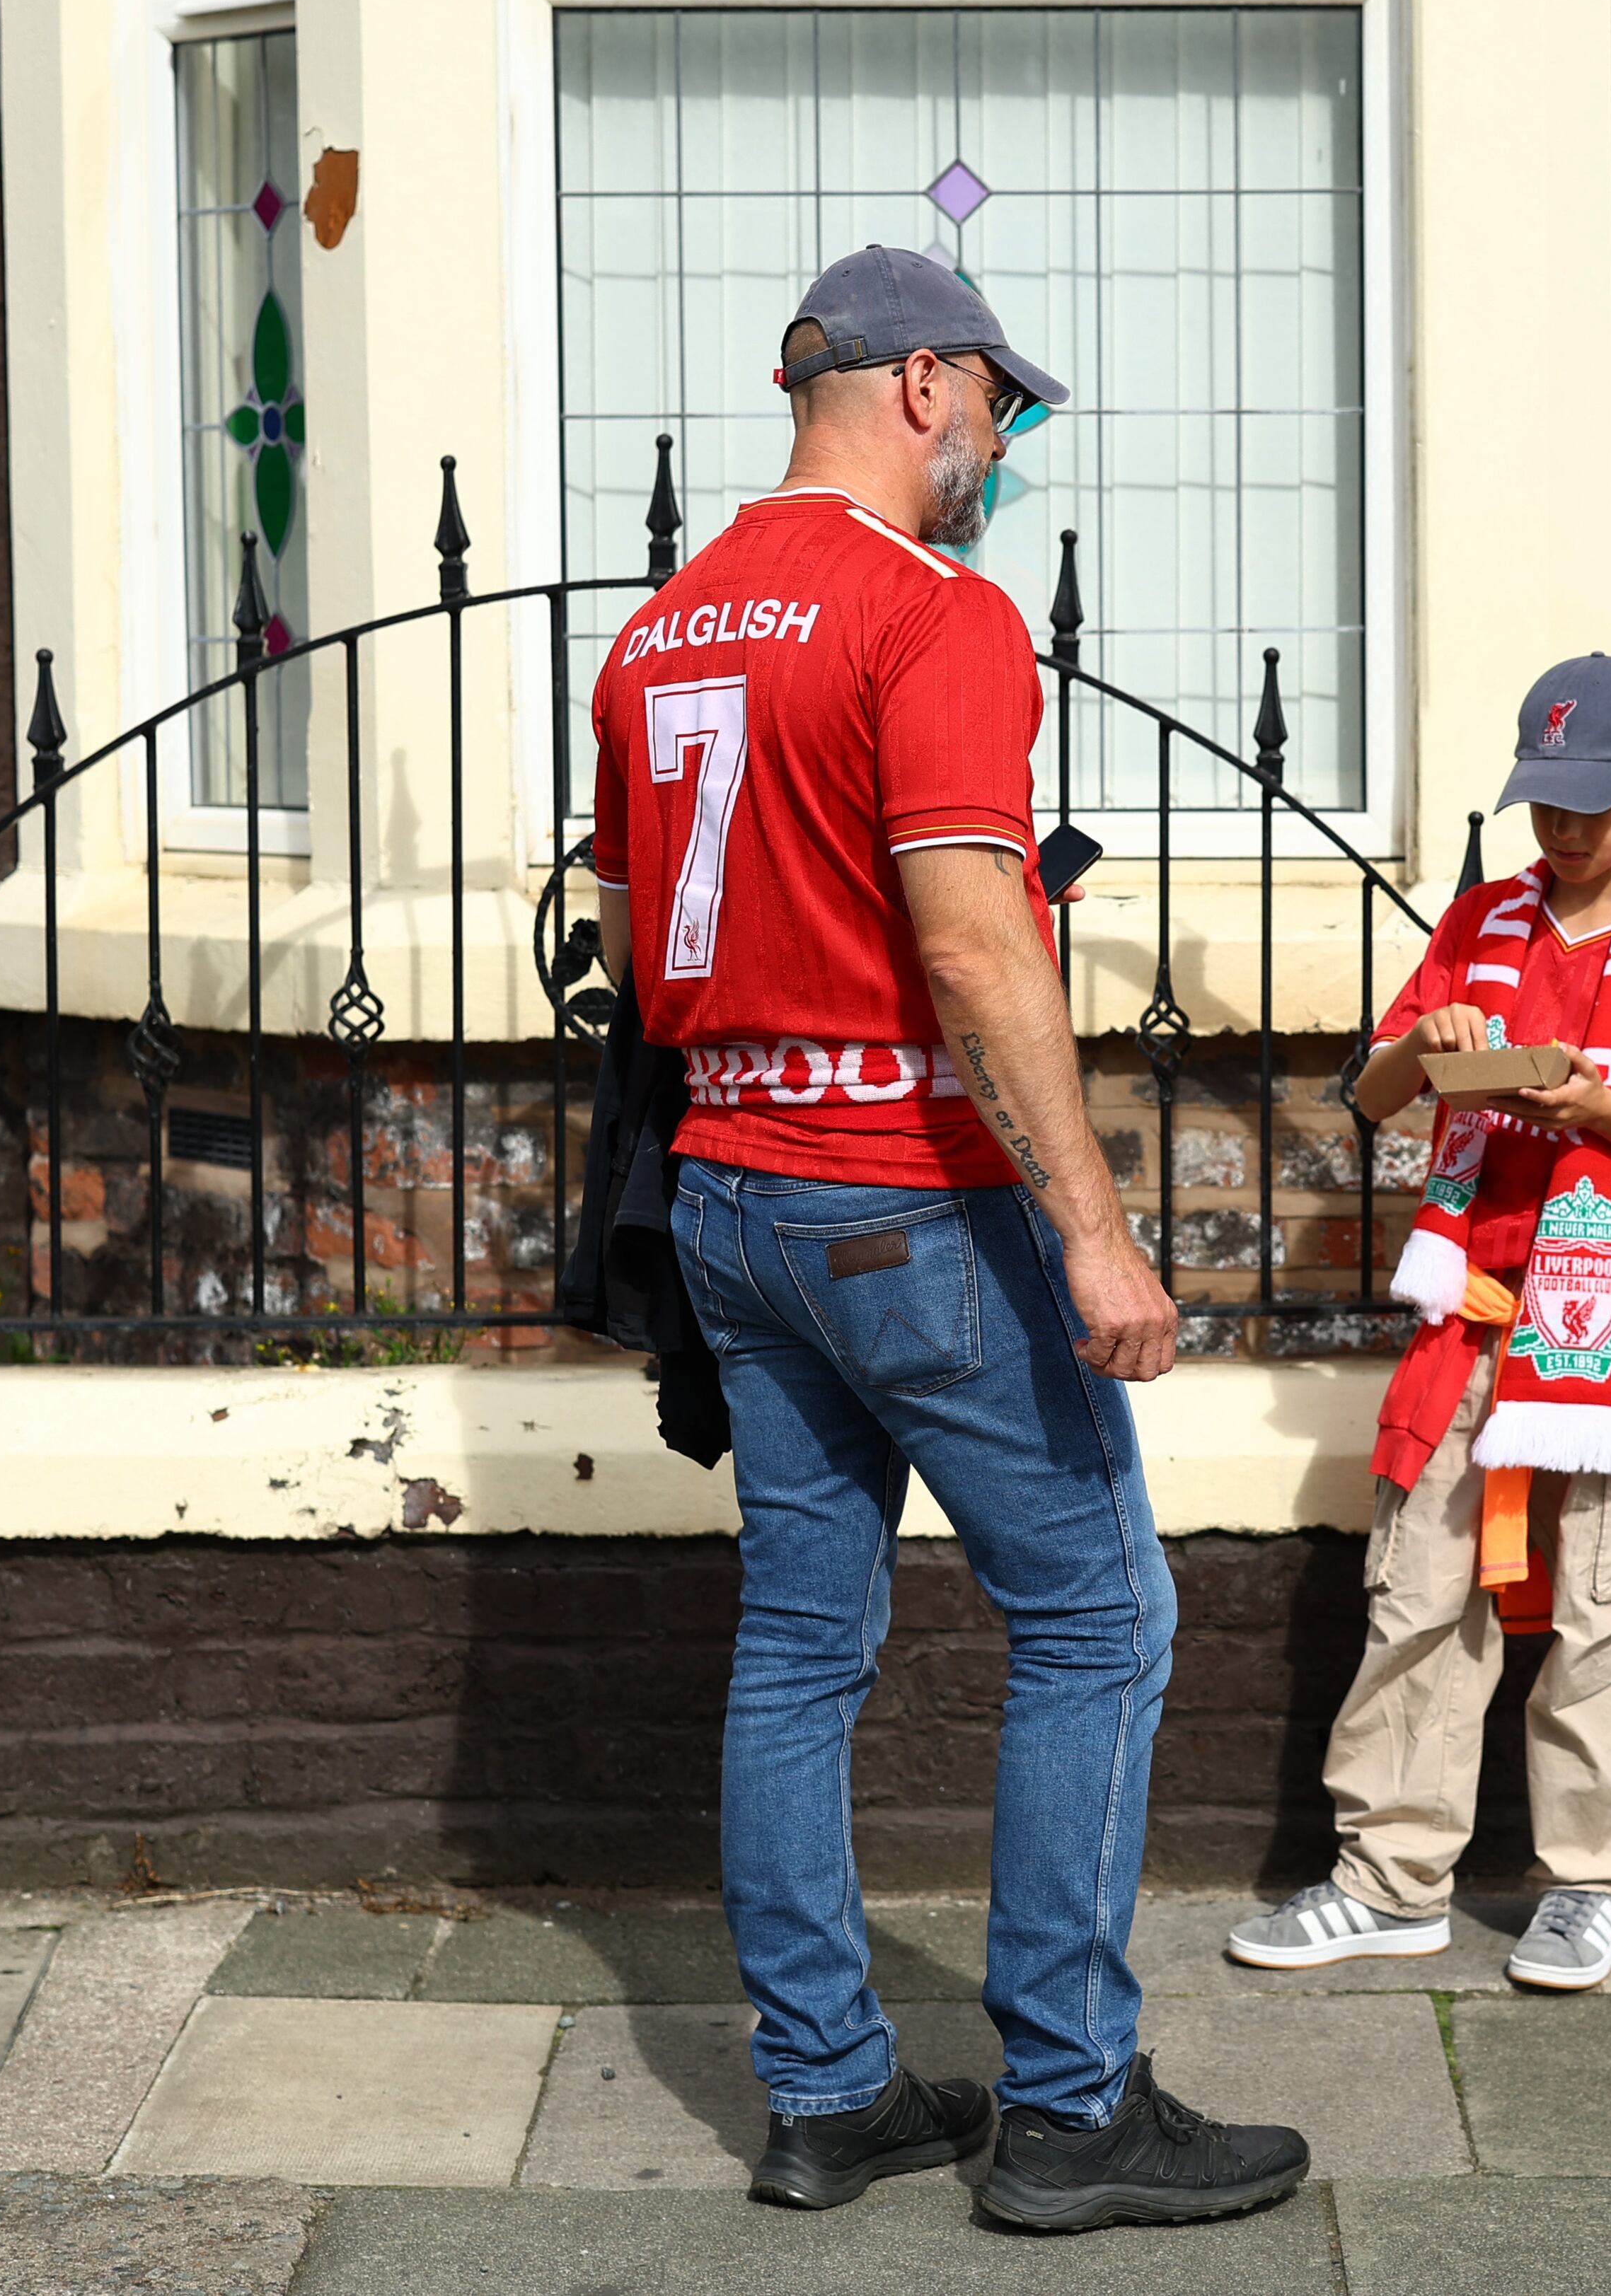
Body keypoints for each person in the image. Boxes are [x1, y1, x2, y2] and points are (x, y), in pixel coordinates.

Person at [588, 244, 1307, 2232]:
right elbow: (975, 937)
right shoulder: (936, 611)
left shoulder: (656, 635)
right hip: (908, 1195)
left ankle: (825, 2090)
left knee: (803, 1641)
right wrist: (1093, 1230)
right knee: (1100, 1614)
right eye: (1004, 402)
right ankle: (1072, 2104)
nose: (1004, 441)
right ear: (923, 381)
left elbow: (648, 948)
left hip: (729, 1188)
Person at [1225, 655, 1611, 1993]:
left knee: (1599, 1607)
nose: (1564, 832)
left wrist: (1605, 1118)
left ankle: (1588, 1881)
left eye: (1591, 803)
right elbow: (1382, 1087)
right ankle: (1390, 1877)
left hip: (1608, 1317)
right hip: (1471, 1311)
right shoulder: (1478, 922)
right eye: (1544, 804)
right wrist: (1437, 1036)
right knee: (1416, 1589)